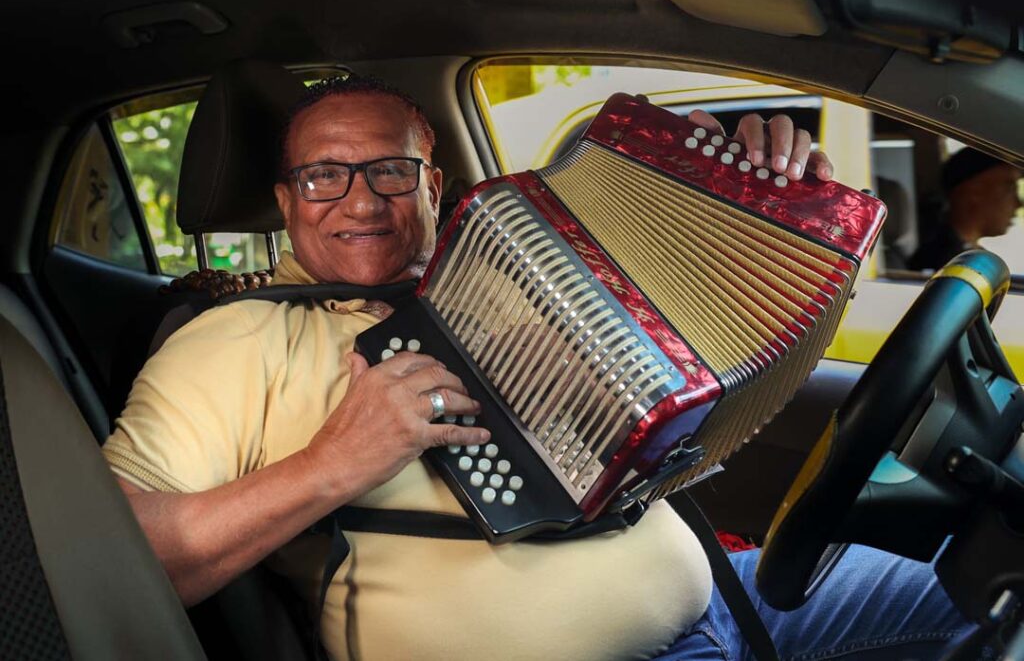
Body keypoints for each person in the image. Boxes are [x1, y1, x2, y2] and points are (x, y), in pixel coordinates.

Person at [103, 76, 971, 660]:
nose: (361, 200)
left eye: (391, 171)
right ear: (286, 200)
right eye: (324, 176)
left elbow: (709, 358)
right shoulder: (233, 340)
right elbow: (114, 554)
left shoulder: (526, 267)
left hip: (732, 597)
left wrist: (767, 205)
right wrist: (333, 463)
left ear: (433, 184)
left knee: (986, 591)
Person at [907, 147, 1022, 272]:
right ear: (975, 192)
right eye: (1009, 188)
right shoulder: (946, 262)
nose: (1019, 203)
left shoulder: (965, 255)